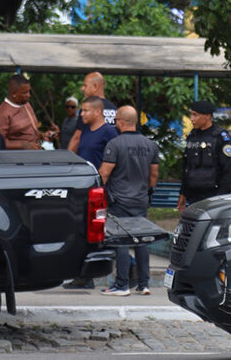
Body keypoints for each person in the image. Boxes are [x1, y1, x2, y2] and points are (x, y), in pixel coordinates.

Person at [98, 106, 160, 296]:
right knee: (142, 241)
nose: (115, 123)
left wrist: (100, 194)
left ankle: (121, 284)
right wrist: (147, 191)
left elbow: (104, 173)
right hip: (140, 200)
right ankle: (143, 284)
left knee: (122, 242)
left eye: (116, 120)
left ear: (122, 122)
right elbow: (154, 175)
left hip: (120, 200)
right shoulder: (150, 145)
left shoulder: (115, 144)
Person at [61, 97, 118, 290]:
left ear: (97, 112)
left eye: (85, 111)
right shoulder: (86, 131)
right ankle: (85, 276)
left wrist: (103, 186)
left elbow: (113, 161)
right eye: (81, 111)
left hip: (99, 190)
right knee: (83, 232)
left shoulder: (109, 132)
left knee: (102, 234)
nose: (81, 114)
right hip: (84, 188)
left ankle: (131, 269)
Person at [176, 100, 231, 211]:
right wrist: (183, 193)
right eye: (191, 114)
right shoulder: (192, 136)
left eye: (195, 115)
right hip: (193, 195)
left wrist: (221, 197)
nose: (192, 118)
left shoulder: (221, 137)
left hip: (214, 195)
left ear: (207, 116)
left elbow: (229, 171)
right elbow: (186, 167)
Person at [0, 75, 45, 150]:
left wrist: (42, 135)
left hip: (34, 155)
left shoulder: (26, 104)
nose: (28, 95)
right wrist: (22, 145)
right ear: (14, 94)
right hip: (17, 158)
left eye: (29, 91)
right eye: (25, 93)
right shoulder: (2, 114)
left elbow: (27, 132)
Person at [67, 72, 116, 155]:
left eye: (85, 85)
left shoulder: (88, 109)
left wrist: (66, 161)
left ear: (95, 86)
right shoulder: (114, 109)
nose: (82, 88)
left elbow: (77, 138)